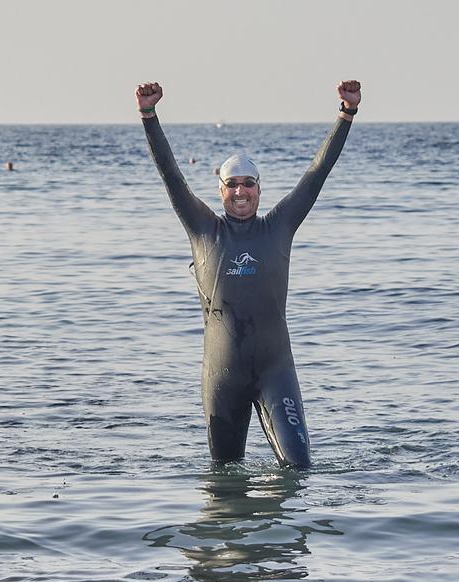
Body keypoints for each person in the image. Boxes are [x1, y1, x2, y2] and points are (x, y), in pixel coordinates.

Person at [137, 79, 361, 469]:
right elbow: (171, 174)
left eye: (248, 184)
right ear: (220, 189)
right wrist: (148, 115)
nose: (241, 192)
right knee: (224, 482)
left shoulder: (279, 226)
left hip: (276, 371)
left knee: (300, 470)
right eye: (232, 185)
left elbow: (317, 172)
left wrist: (347, 113)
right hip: (222, 379)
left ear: (260, 189)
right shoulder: (204, 228)